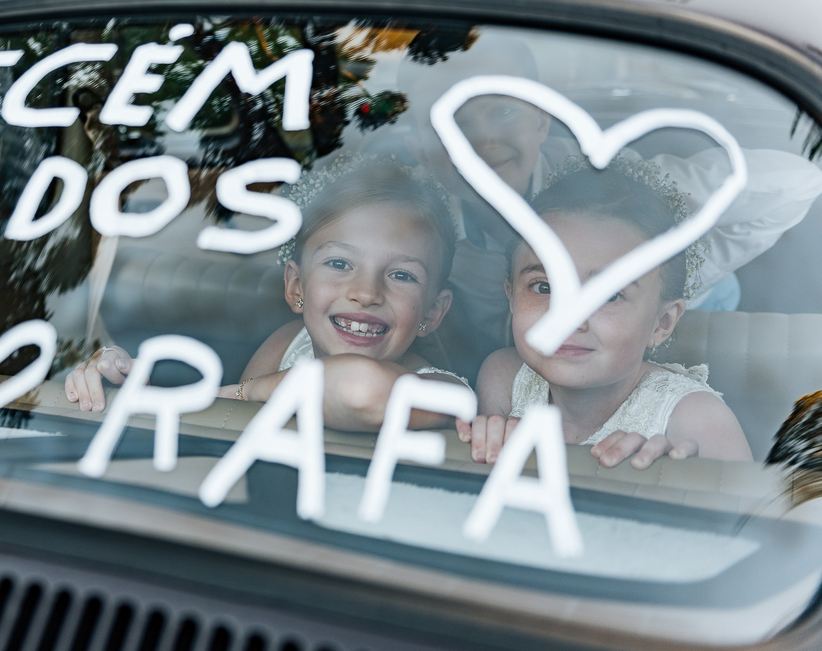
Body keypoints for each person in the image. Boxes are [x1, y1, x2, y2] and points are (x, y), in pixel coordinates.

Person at [396, 33, 822, 381]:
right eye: (447, 119)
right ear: (416, 143)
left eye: (503, 110)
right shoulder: (412, 216)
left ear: (543, 120)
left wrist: (660, 233)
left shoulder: (609, 181)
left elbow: (798, 182)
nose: (482, 139)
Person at [65, 154, 470, 431]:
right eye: (340, 264)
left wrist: (248, 390)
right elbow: (231, 428)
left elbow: (359, 389)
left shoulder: (443, 391)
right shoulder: (286, 345)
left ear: (433, 312)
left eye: (401, 275)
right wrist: (125, 379)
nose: (365, 292)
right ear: (295, 286)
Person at [465, 164, 753, 469]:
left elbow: (749, 512)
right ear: (510, 295)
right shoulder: (504, 378)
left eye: (609, 295)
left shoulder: (696, 419)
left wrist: (669, 477)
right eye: (543, 287)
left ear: (662, 322)